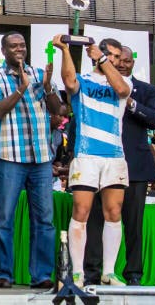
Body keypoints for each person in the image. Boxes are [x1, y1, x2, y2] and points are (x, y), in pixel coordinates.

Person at [0, 31, 61, 289]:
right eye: (13, 46)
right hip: (10, 157)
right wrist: (20, 89)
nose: (20, 49)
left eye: (22, 45)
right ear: (4, 51)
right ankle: (3, 273)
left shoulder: (40, 73)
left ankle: (41, 275)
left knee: (44, 220)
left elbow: (57, 110)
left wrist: (48, 86)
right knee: (4, 217)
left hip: (40, 157)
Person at [54, 36, 131, 287]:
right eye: (115, 56)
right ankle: (77, 272)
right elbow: (68, 80)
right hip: (86, 155)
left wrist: (102, 58)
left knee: (113, 212)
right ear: (97, 53)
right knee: (81, 211)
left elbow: (122, 91)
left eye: (120, 57)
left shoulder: (121, 80)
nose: (118, 61)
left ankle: (109, 272)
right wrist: (65, 50)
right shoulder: (84, 81)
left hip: (114, 156)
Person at [84, 46, 155, 286]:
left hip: (134, 166)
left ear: (133, 62)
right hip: (101, 162)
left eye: (127, 61)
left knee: (133, 223)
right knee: (96, 220)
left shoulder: (146, 90)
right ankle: (93, 272)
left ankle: (133, 273)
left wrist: (130, 102)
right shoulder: (97, 86)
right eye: (118, 60)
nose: (123, 64)